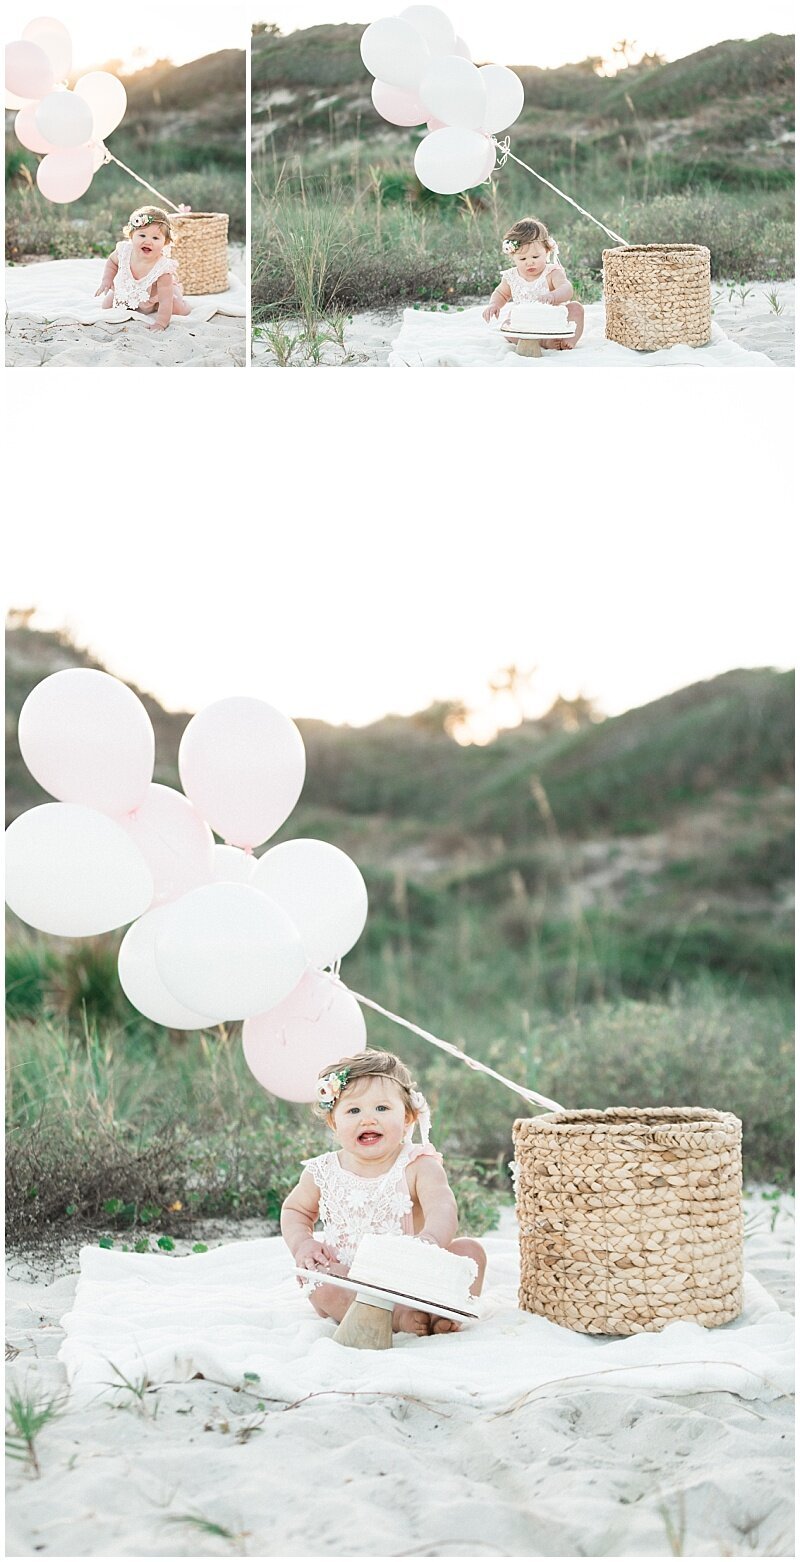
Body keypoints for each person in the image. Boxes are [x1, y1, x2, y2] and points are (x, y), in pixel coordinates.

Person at [281, 1049, 487, 1336]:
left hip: (410, 1273)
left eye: (381, 1108)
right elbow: (295, 1210)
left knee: (470, 1252)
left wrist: (429, 1241)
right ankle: (398, 1318)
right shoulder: (323, 1171)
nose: (368, 1119)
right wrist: (303, 1244)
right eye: (353, 1111)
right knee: (319, 1278)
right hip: (349, 1279)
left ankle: (443, 1310)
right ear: (334, 1122)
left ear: (407, 1117)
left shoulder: (418, 1164)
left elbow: (443, 1208)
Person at [483, 216, 585, 349]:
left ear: (547, 251)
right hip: (526, 321)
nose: (529, 262)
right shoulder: (512, 276)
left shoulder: (551, 272)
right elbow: (501, 293)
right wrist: (494, 304)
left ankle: (569, 340)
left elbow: (567, 288)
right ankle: (542, 342)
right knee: (507, 326)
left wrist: (553, 296)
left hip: (554, 321)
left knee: (576, 308)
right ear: (512, 256)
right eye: (522, 258)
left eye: (535, 257)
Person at [94, 206, 191, 331]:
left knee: (176, 308)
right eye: (142, 235)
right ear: (131, 235)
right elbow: (112, 262)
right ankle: (133, 305)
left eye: (155, 238)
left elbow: (165, 301)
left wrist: (161, 323)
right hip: (129, 291)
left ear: (165, 242)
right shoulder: (124, 252)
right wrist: (107, 280)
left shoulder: (162, 269)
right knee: (106, 305)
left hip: (156, 298)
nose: (148, 241)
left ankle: (185, 304)